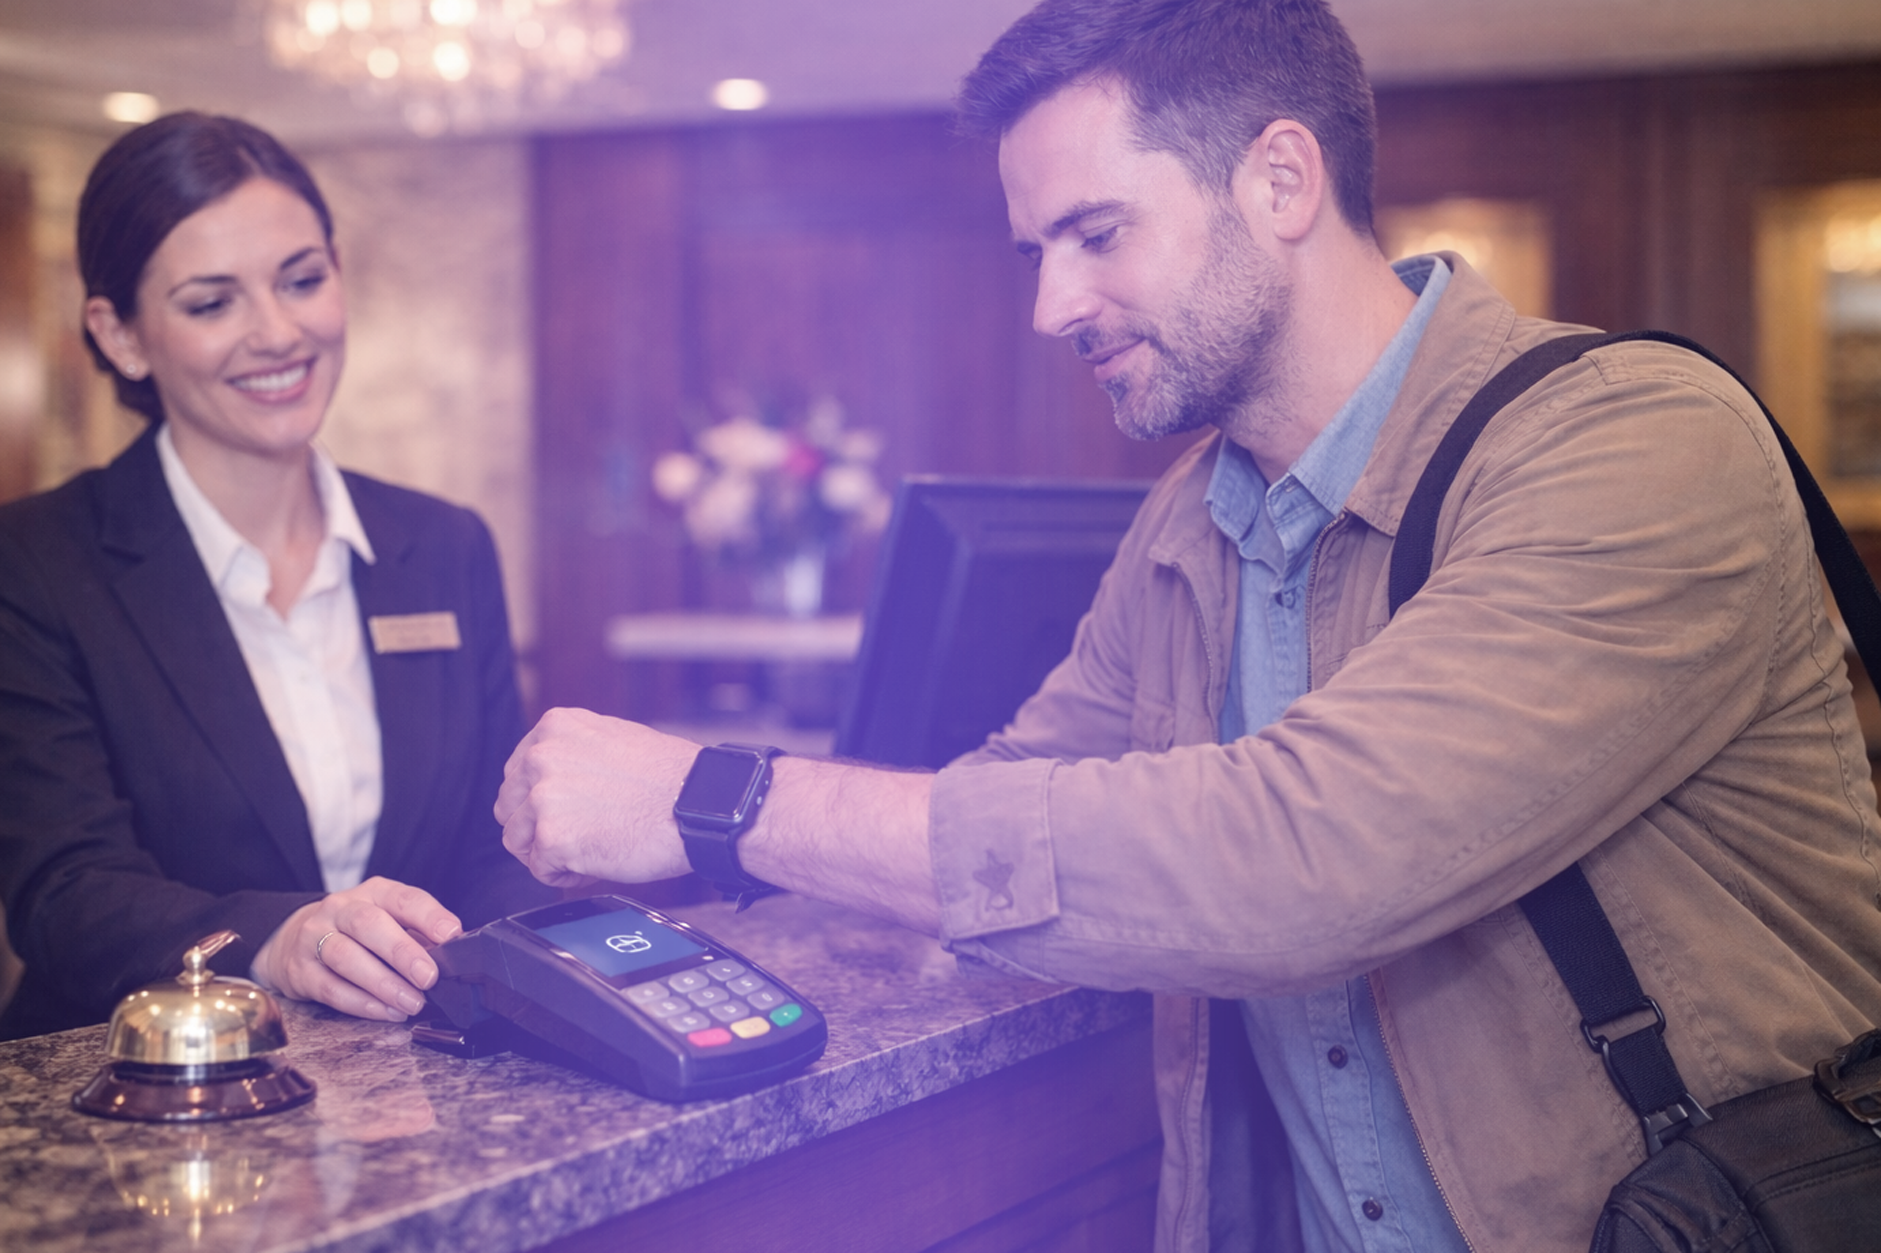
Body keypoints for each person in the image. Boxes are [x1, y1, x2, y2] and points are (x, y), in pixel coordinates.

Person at [493, 1, 1881, 1249]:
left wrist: (715, 799)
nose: (1050, 305)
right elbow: (1012, 801)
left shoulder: (1633, 441)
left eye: (1096, 235)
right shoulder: (1185, 521)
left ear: (1280, 178)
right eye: (1037, 252)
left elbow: (1309, 859)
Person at [0, 112, 551, 1040]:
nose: (278, 332)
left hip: (412, 1085)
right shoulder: (35, 563)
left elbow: (490, 847)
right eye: (212, 302)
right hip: (136, 1100)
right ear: (122, 335)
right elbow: (68, 892)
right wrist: (275, 938)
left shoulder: (445, 545)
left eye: (302, 280)